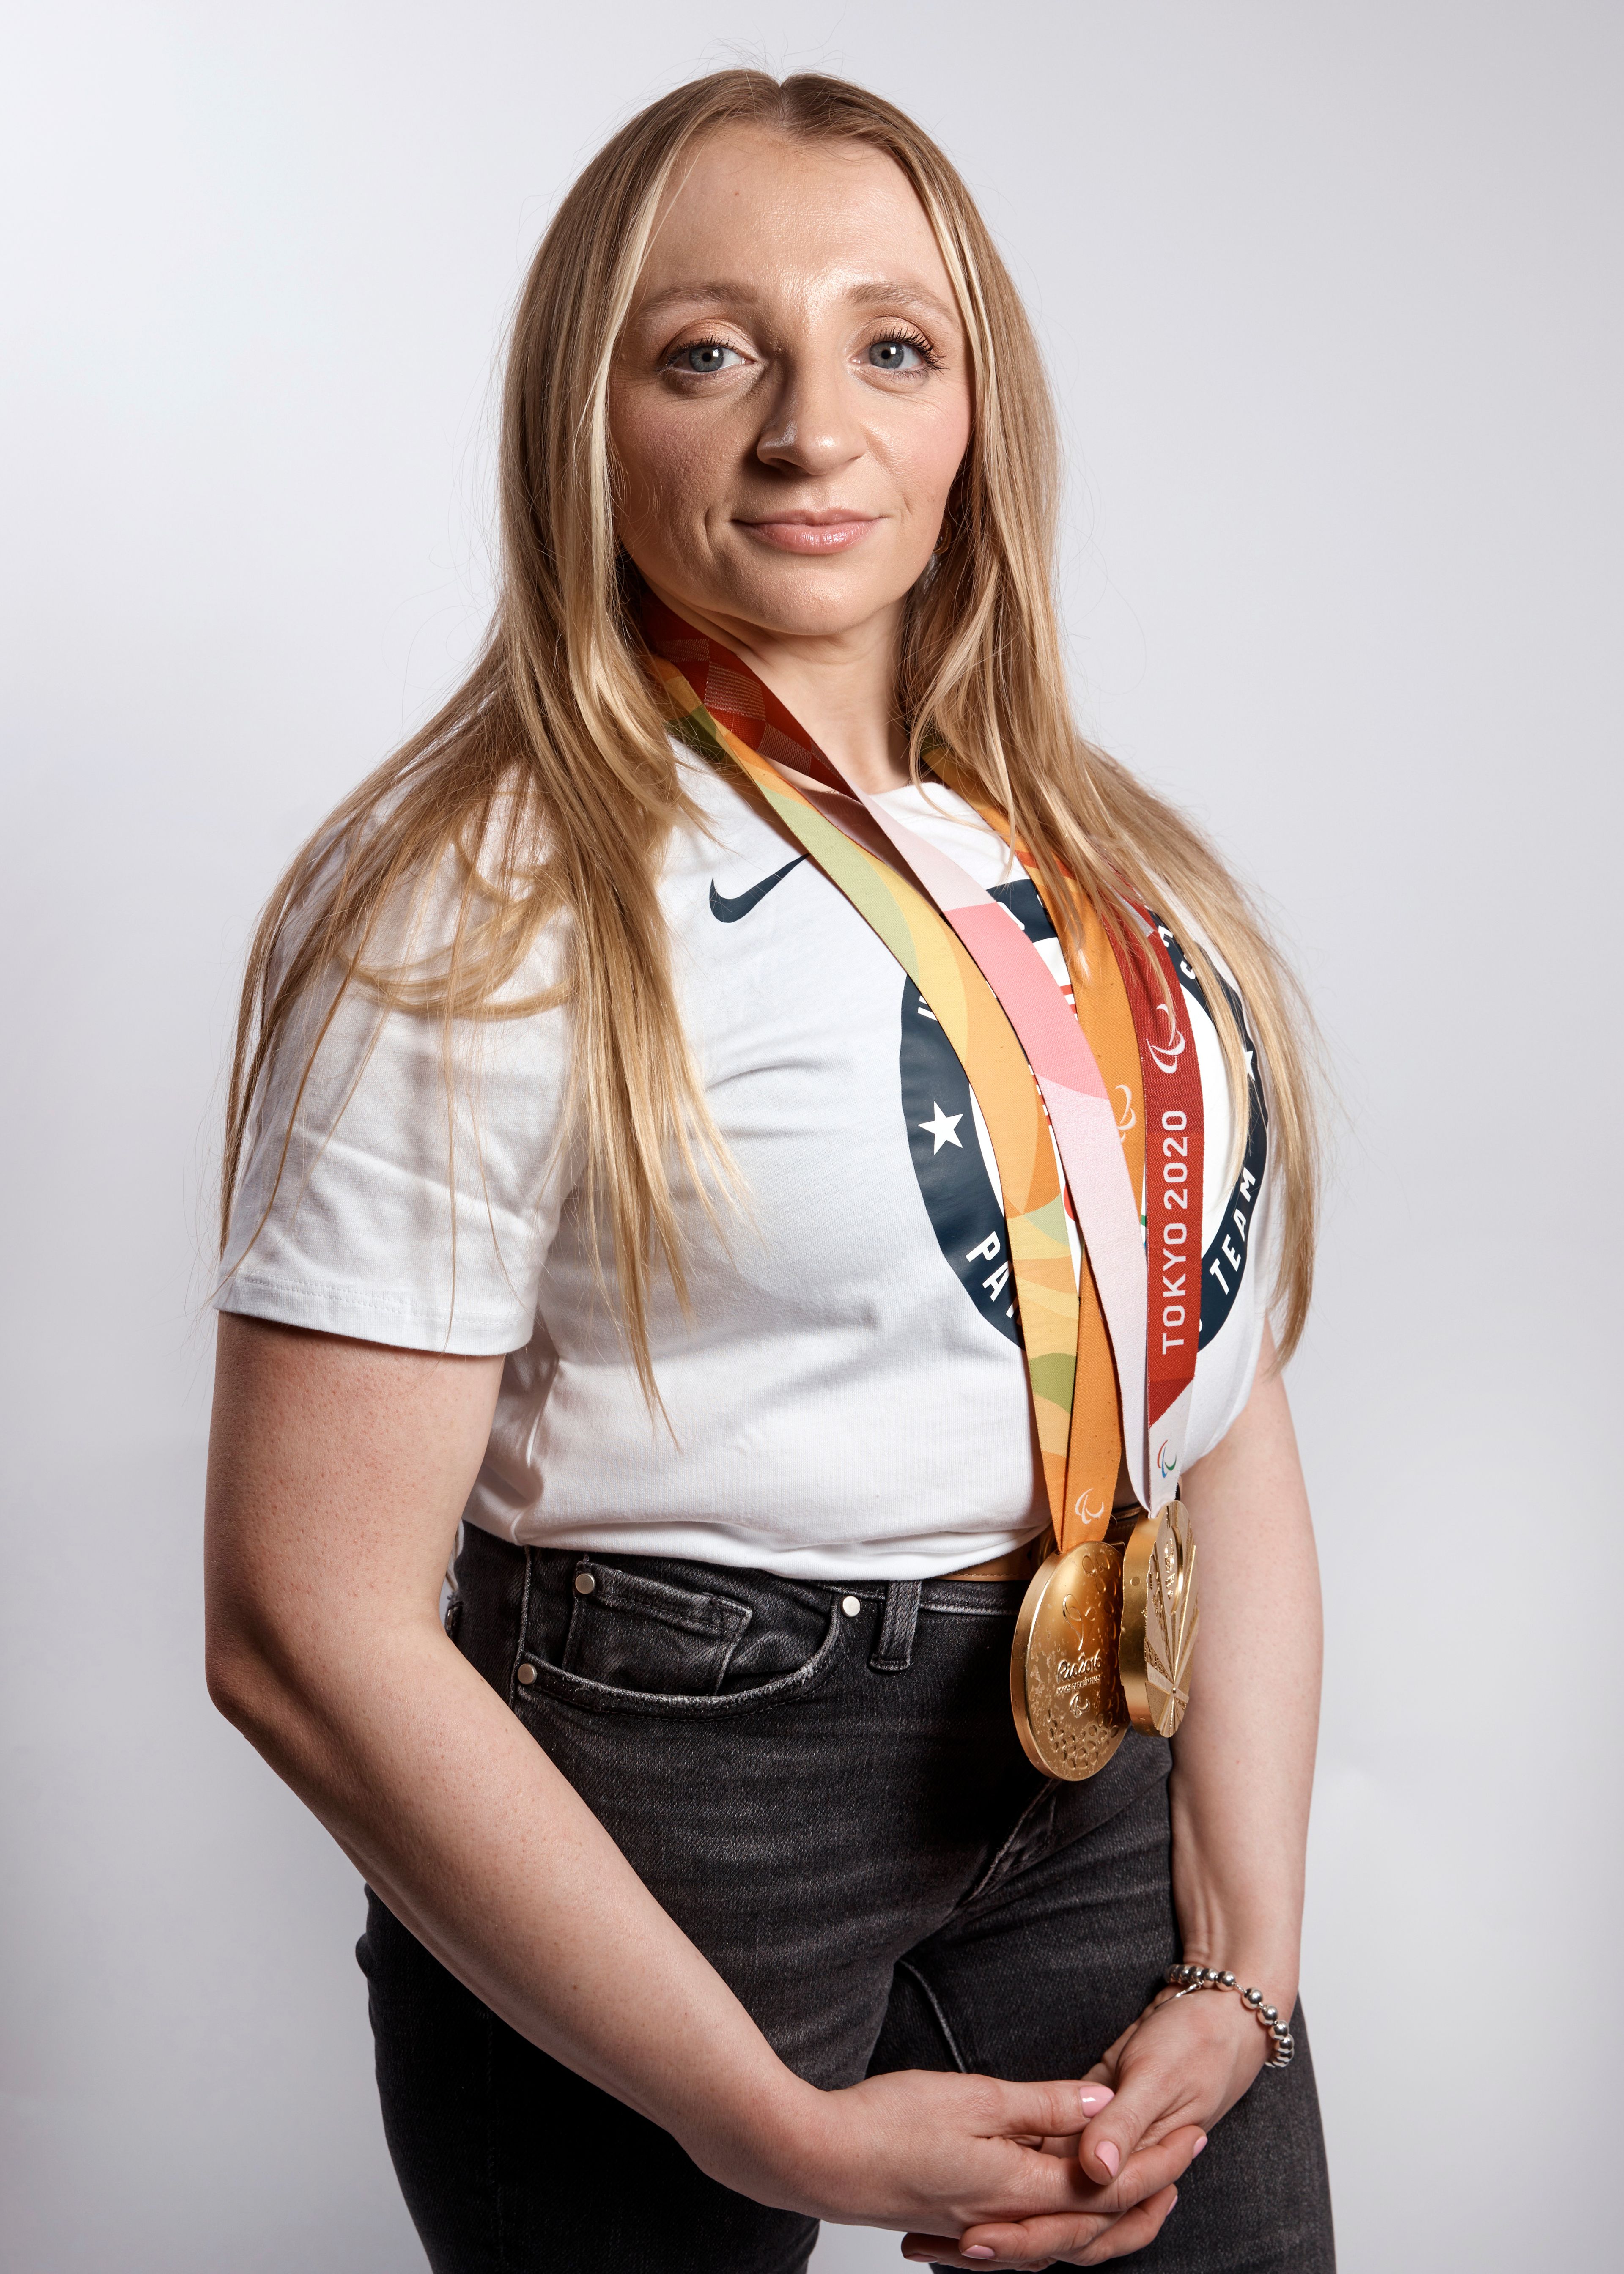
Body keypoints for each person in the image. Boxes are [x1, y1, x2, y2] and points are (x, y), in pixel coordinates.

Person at [203, 69, 1333, 2274]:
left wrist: (1242, 1960)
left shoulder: (1100, 871)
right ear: (583, 416)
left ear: (973, 412)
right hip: (657, 1794)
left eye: (891, 346)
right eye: (708, 349)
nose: (812, 427)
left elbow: (1220, 1413)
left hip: (1102, 1777)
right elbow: (298, 1622)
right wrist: (759, 2119)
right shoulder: (474, 899)